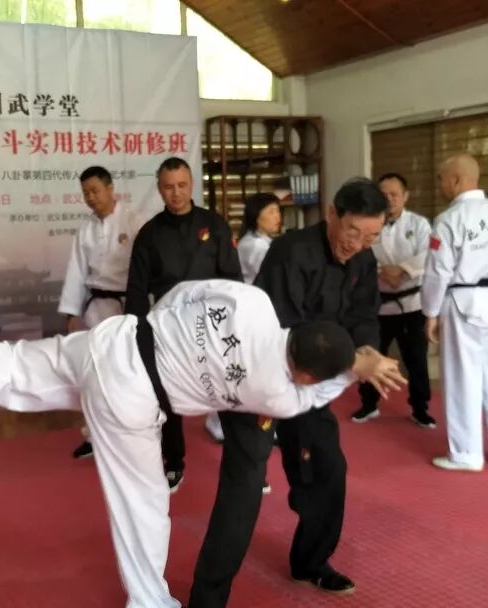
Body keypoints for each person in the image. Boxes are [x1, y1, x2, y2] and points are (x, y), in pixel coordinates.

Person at [0, 279, 405, 608]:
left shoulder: (253, 301)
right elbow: (313, 395)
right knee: (143, 506)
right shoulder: (278, 393)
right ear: (304, 372)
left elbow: (188, 292)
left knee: (20, 365)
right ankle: (150, 601)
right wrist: (358, 368)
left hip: (115, 339)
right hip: (132, 398)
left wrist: (164, 328)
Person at [187, 178, 387, 608]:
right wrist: (353, 362)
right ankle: (207, 600)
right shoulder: (291, 252)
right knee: (244, 488)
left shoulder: (363, 260)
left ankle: (310, 562)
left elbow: (363, 315)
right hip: (259, 379)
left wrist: (369, 349)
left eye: (371, 237)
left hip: (310, 383)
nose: (358, 244)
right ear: (332, 214)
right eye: (353, 231)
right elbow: (291, 334)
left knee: (327, 469)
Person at [125, 156, 242, 492]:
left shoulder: (214, 225)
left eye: (181, 185)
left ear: (191, 185)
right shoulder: (149, 234)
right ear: (159, 189)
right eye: (168, 187)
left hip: (213, 325)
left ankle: (243, 461)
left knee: (229, 393)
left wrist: (235, 324)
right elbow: (137, 289)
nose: (175, 193)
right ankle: (174, 461)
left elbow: (233, 278)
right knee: (167, 396)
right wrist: (135, 333)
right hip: (169, 328)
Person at [421, 154, 488, 472]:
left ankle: (467, 453)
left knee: (462, 377)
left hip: (463, 301)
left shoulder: (449, 220)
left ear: (455, 180)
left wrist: (430, 312)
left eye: (441, 179)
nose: (440, 185)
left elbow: (438, 272)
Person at [58, 166, 144, 460]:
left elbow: (145, 269)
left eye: (95, 190)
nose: (91, 197)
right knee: (94, 374)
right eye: (85, 193)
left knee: (127, 374)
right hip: (95, 308)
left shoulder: (134, 221)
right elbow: (76, 272)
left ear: (110, 188)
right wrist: (71, 312)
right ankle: (94, 435)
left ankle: (131, 434)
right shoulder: (85, 229)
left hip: (126, 308)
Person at [352, 172, 435, 428]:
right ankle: (369, 404)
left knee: (416, 360)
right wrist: (382, 271)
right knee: (372, 354)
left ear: (405, 196)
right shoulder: (370, 222)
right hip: (378, 303)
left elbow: (429, 254)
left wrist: (402, 270)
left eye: (394, 194)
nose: (389, 199)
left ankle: (420, 408)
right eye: (383, 194)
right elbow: (360, 253)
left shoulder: (419, 224)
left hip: (412, 303)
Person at [204, 193, 281, 446]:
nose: (277, 217)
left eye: (278, 211)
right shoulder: (253, 246)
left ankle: (233, 420)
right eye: (271, 211)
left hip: (255, 315)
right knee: (240, 371)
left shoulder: (264, 243)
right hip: (247, 317)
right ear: (256, 216)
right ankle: (219, 421)